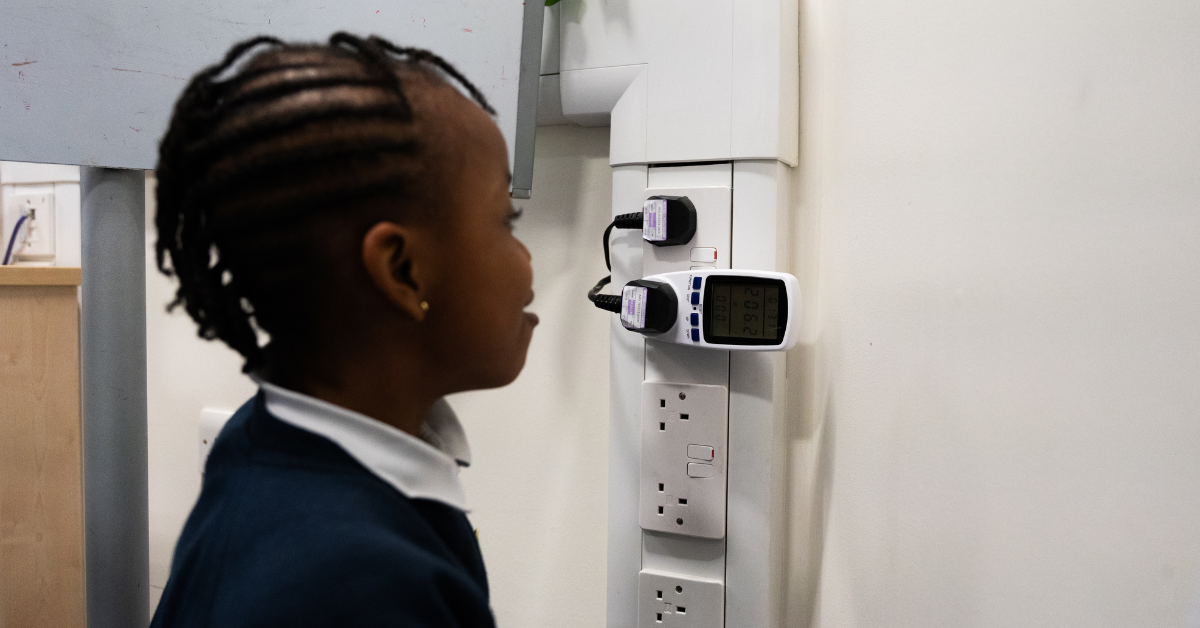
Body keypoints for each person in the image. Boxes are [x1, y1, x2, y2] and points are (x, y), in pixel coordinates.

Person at [149, 33, 537, 627]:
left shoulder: (265, 440)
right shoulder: (358, 586)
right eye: (506, 221)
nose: (526, 258)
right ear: (402, 270)